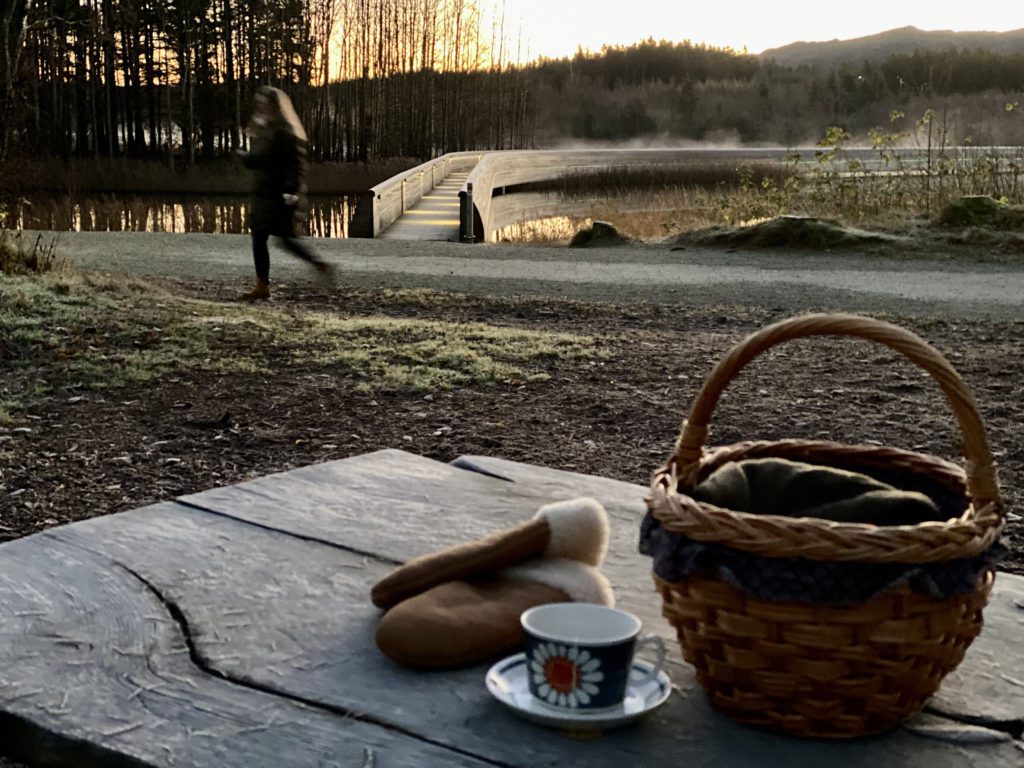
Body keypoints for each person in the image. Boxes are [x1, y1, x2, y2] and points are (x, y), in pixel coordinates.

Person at [237, 86, 332, 301]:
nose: (261, 106)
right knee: (260, 238)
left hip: (277, 196)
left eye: (265, 102)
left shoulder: (285, 131)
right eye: (259, 102)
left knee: (285, 239)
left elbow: (294, 164)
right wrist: (245, 157)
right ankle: (262, 285)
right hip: (262, 194)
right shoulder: (264, 129)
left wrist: (291, 191)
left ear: (275, 106)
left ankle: (319, 264)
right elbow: (260, 160)